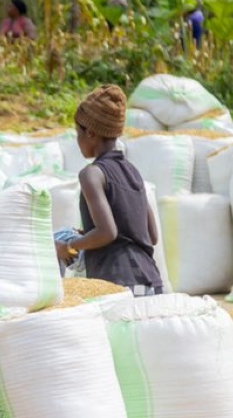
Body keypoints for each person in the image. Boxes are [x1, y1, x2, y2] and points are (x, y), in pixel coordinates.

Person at [54, 85, 164, 296]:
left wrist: (68, 247)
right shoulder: (133, 172)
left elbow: (107, 232)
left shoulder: (91, 174)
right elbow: (151, 236)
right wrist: (88, 235)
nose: (77, 140)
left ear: (91, 133)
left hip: (118, 283)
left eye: (78, 132)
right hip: (151, 282)